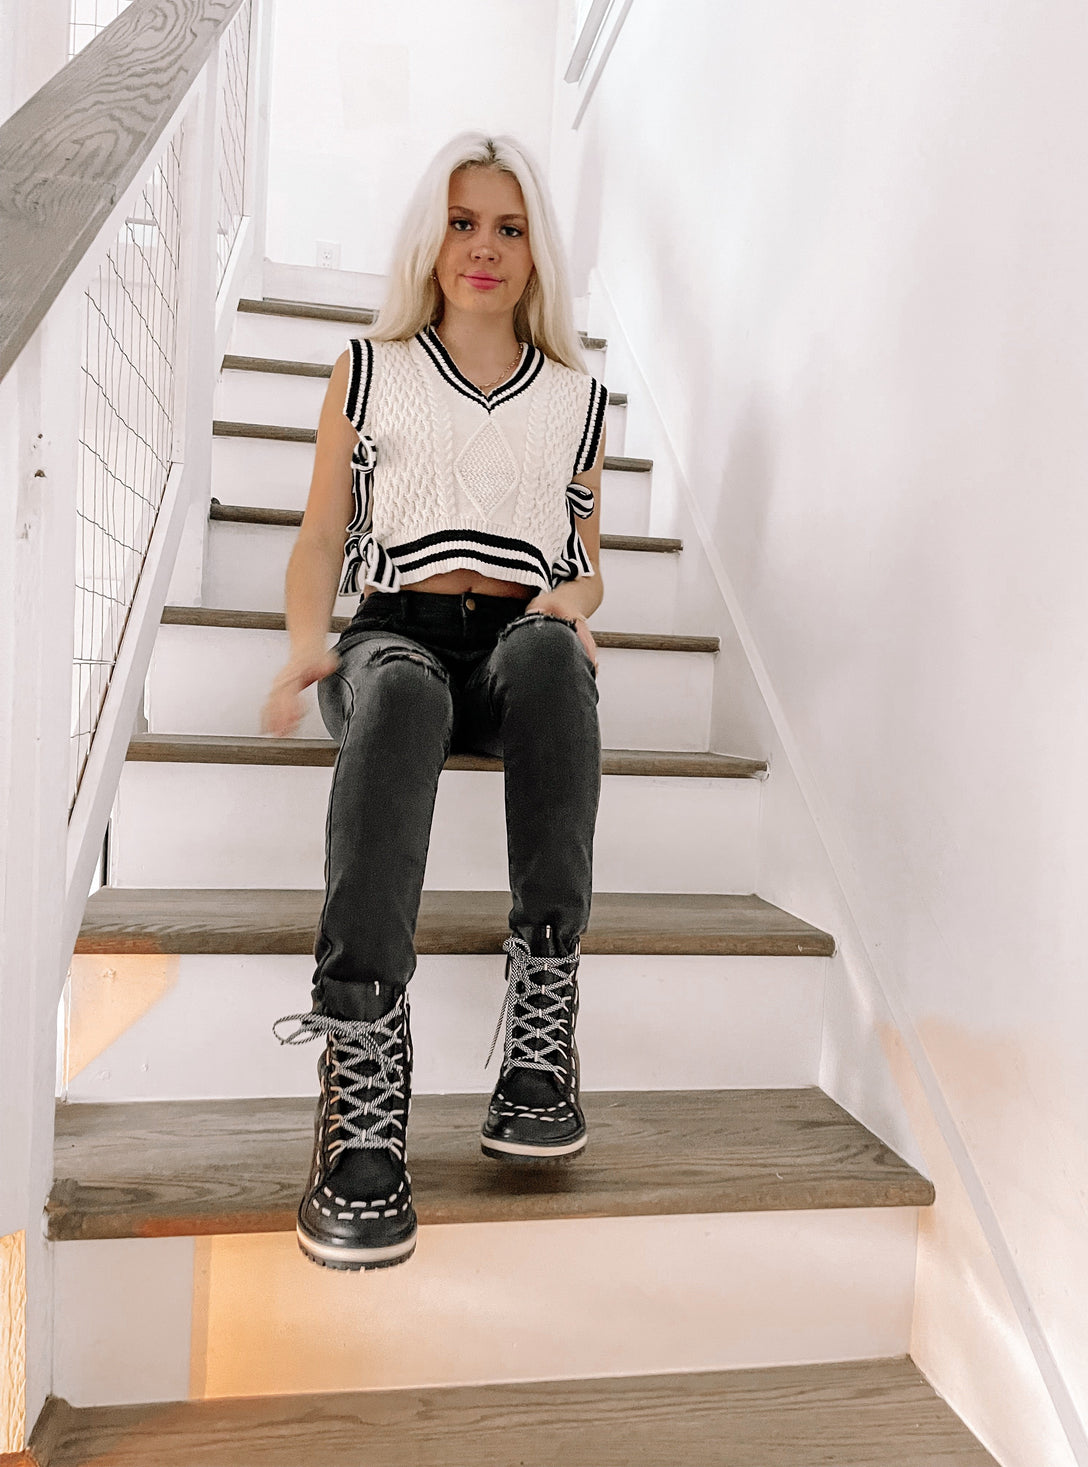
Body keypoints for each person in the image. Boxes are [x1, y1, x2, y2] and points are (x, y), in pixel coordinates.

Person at [263, 133, 607, 1272]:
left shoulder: (578, 400)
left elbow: (587, 563)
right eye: (463, 222)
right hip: (391, 635)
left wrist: (570, 606)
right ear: (432, 235)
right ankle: (361, 1059)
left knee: (553, 656)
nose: (483, 247)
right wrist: (307, 646)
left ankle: (542, 1019)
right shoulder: (368, 368)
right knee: (405, 694)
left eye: (509, 228)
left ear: (536, 251)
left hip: (510, 641)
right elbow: (322, 532)